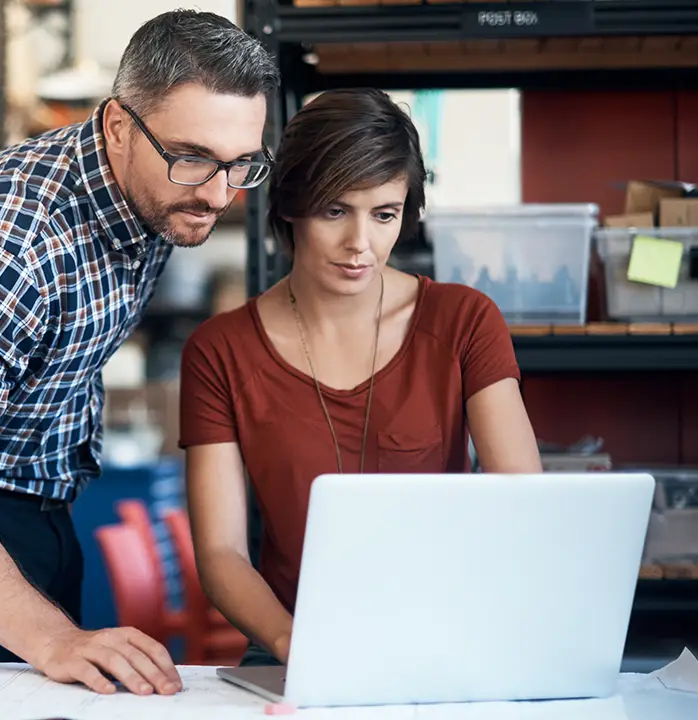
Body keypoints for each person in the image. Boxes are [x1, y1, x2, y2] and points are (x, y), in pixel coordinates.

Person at [0, 9, 279, 698]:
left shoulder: (160, 190)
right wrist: (55, 638)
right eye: (193, 158)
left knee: (60, 696)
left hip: (42, 495)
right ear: (118, 127)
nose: (219, 194)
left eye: (240, 164)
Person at [178, 88, 543, 668]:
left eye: (384, 215)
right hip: (291, 646)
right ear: (291, 207)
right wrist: (290, 641)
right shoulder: (220, 352)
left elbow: (525, 508)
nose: (360, 245)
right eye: (334, 211)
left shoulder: (464, 322)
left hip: (447, 639)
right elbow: (222, 552)